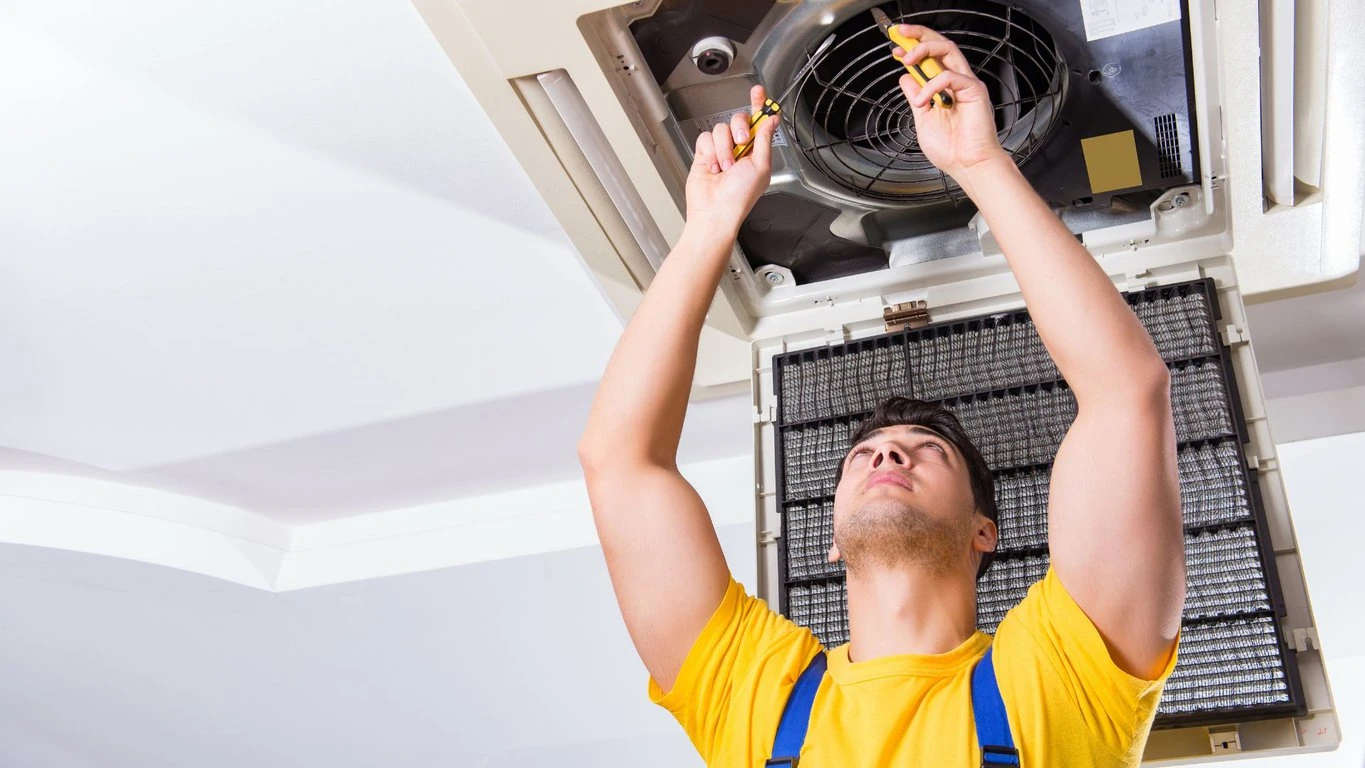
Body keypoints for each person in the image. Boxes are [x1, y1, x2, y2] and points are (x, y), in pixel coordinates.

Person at [577, 25, 1184, 767]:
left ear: (982, 533)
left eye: (926, 452)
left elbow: (1128, 394)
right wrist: (706, 226)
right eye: (864, 454)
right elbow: (620, 460)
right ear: (828, 540)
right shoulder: (758, 692)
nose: (887, 451)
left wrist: (979, 162)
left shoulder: (1063, 675)